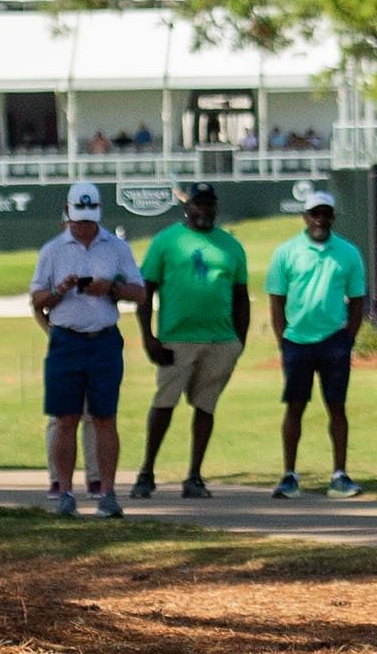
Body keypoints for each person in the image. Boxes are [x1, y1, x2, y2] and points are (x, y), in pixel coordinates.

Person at [28, 182, 147, 517]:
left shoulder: (116, 247)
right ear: (67, 213)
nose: (84, 226)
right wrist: (60, 290)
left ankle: (107, 493)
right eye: (78, 219)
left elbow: (139, 292)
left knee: (105, 417)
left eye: (89, 219)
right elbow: (37, 299)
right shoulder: (52, 250)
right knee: (65, 418)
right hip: (66, 340)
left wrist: (112, 288)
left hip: (104, 339)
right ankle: (65, 492)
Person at [129, 183, 248, 501]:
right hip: (176, 338)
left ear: (215, 208)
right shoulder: (166, 241)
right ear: (187, 207)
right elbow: (146, 290)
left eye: (209, 205)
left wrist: (240, 341)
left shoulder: (231, 246)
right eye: (198, 204)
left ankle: (194, 476)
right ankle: (146, 472)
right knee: (164, 403)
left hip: (220, 339)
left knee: (206, 407)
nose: (203, 210)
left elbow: (241, 298)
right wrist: (148, 336)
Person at [266, 192, 367, 498]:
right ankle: (289, 475)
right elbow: (277, 299)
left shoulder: (347, 253)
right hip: (297, 340)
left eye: (325, 213)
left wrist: (348, 337)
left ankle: (339, 475)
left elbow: (358, 299)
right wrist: (282, 338)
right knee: (295, 407)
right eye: (314, 213)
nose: (320, 219)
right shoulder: (287, 252)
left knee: (337, 407)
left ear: (332, 217)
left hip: (334, 340)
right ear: (305, 217)